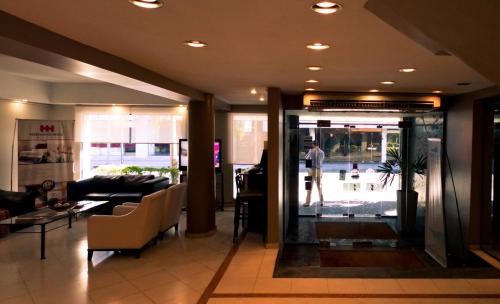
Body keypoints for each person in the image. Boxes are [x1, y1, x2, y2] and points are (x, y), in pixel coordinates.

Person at [304, 141, 325, 207]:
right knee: (319, 186)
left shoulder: (311, 151)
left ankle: (307, 202)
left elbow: (306, 158)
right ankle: (321, 202)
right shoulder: (322, 152)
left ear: (313, 145)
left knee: (309, 186)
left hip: (311, 170)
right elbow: (322, 160)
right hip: (319, 170)